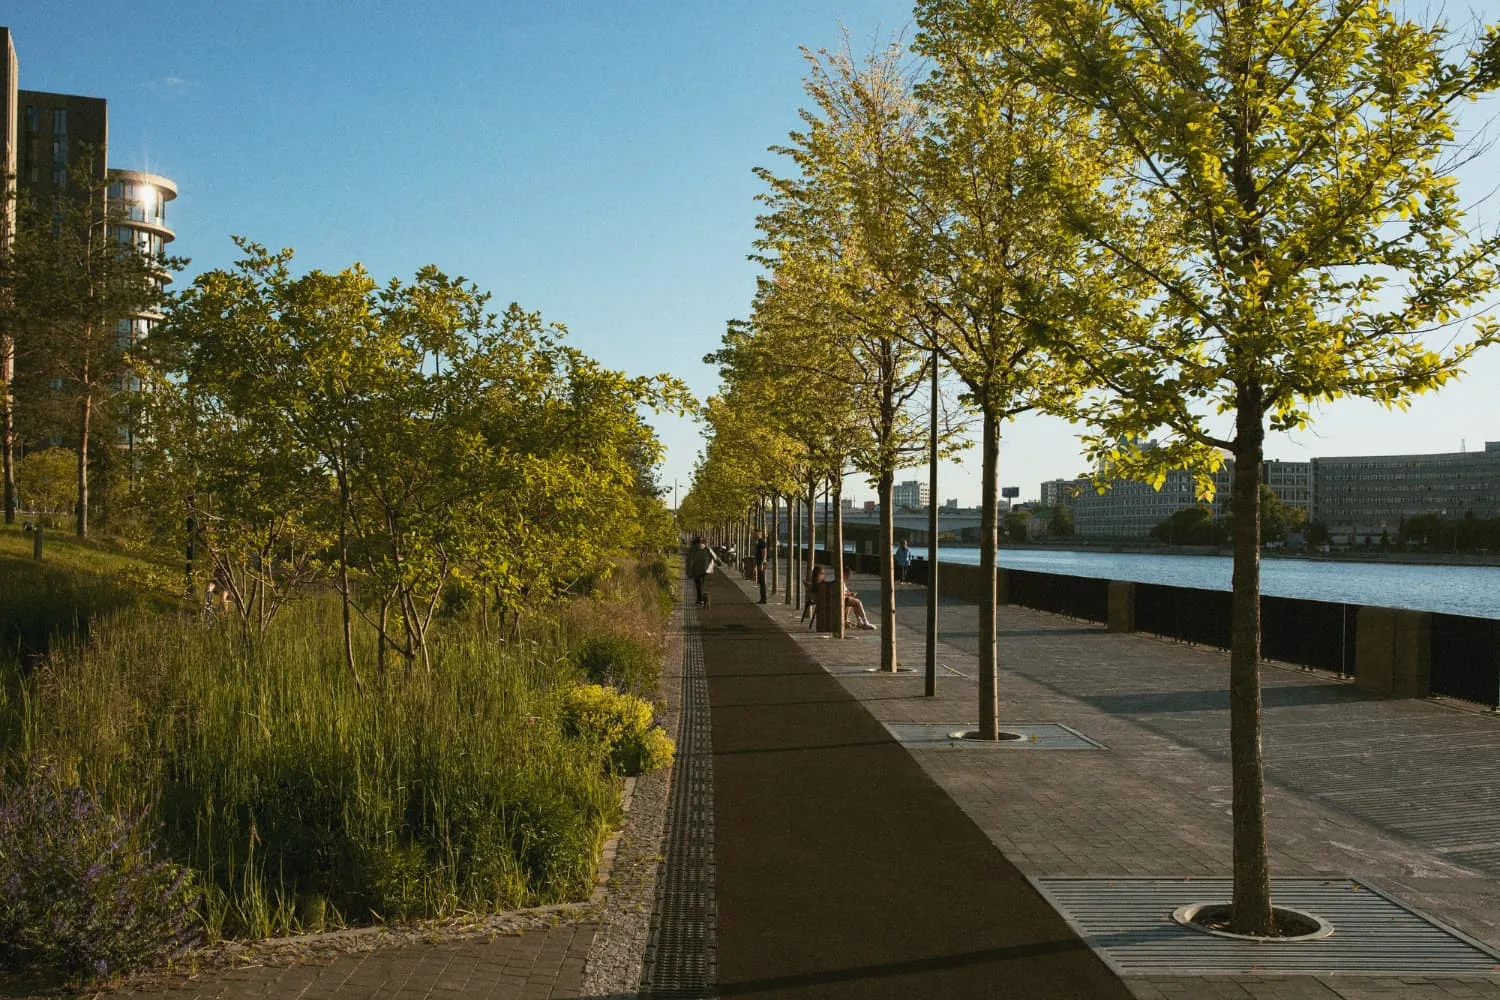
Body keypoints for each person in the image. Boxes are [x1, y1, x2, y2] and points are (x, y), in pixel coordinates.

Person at [686, 536, 719, 607]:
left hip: (696, 569)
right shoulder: (707, 548)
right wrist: (719, 563)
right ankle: (703, 599)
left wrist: (688, 572)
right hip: (706, 569)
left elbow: (689, 561)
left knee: (698, 585)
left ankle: (700, 600)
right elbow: (714, 556)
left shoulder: (692, 549)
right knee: (702, 584)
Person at [753, 529, 769, 602]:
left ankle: (764, 599)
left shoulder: (762, 542)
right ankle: (762, 598)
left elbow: (764, 553)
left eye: (756, 534)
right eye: (754, 534)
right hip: (759, 563)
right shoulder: (759, 542)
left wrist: (762, 563)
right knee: (761, 581)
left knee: (762, 581)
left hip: (761, 564)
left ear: (760, 534)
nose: (754, 535)